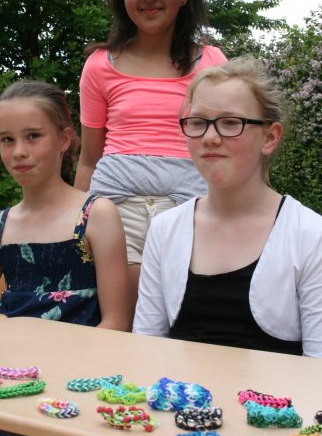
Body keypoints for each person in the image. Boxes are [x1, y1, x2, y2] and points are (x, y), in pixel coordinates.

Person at [0, 79, 131, 436]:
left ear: (64, 139)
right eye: (7, 140)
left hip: (70, 381)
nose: (19, 152)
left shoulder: (96, 215)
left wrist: (55, 376)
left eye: (33, 136)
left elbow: (116, 323)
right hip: (0, 376)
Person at [74, 0, 226, 311]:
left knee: (185, 320)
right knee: (117, 321)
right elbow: (89, 159)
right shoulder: (99, 66)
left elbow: (232, 150)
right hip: (113, 212)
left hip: (192, 211)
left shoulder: (213, 64)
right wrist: (73, 227)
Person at [133, 56, 322, 357]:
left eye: (231, 123)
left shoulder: (310, 235)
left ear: (269, 137)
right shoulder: (165, 229)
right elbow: (147, 349)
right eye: (198, 123)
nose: (210, 138)